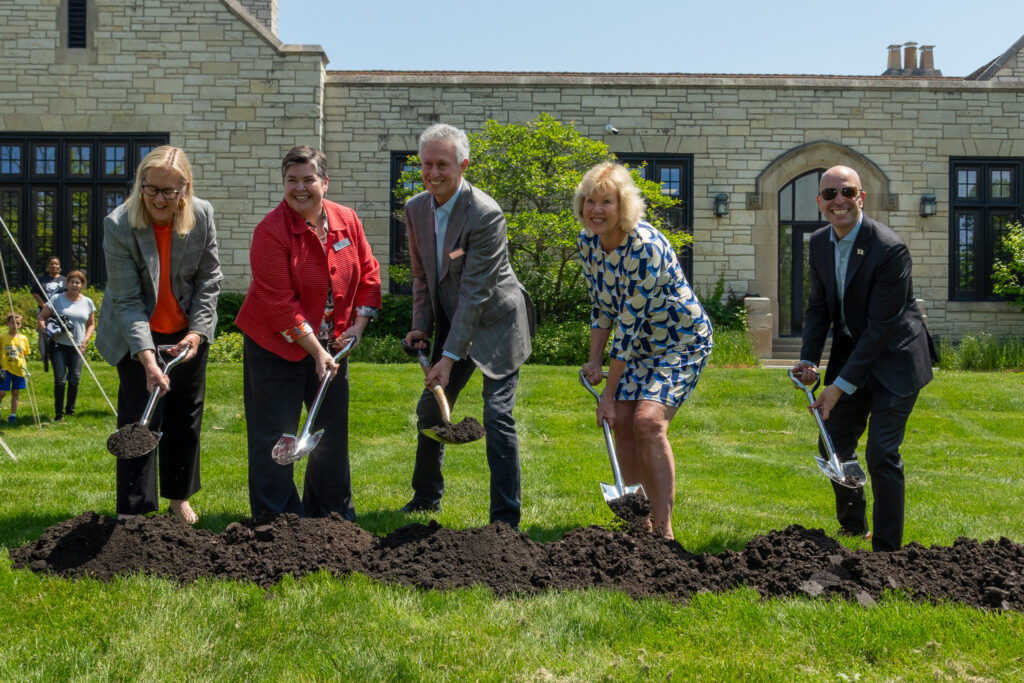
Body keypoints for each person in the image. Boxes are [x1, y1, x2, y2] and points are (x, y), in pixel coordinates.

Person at [792, 165, 935, 552]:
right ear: (819, 202)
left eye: (847, 192)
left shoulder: (889, 249)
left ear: (861, 197)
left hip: (896, 359)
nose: (839, 200)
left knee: (881, 453)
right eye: (830, 194)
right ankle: (854, 528)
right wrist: (809, 362)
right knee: (833, 442)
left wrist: (836, 388)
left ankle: (887, 551)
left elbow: (879, 331)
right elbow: (819, 309)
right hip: (853, 351)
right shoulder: (820, 242)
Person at [400, 123, 535, 529]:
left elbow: (476, 292)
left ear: (463, 165)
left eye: (442, 164)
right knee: (430, 410)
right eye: (427, 164)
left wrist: (449, 357)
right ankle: (426, 498)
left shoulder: (485, 213)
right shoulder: (416, 208)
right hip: (453, 319)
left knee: (497, 416)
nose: (433, 173)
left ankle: (504, 519)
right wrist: (422, 327)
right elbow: (422, 277)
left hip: (497, 322)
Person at [236, 145, 381, 520]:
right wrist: (316, 352)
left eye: (308, 179)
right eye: (291, 180)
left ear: (325, 182)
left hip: (333, 347)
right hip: (275, 349)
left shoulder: (347, 219)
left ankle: (331, 517)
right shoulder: (270, 232)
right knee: (275, 436)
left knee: (330, 436)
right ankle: (276, 518)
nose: (300, 188)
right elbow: (279, 304)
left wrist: (356, 328)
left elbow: (368, 274)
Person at [575, 162, 713, 540]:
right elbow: (602, 307)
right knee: (620, 420)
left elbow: (629, 324)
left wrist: (606, 390)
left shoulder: (645, 246)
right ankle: (638, 525)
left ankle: (663, 530)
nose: (596, 210)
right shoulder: (588, 243)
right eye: (590, 201)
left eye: (607, 202)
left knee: (648, 422)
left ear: (624, 207)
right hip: (638, 347)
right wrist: (593, 360)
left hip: (679, 342)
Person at [94, 145, 222, 525]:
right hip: (136, 331)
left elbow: (209, 280)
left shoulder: (202, 215)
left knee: (185, 415)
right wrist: (147, 357)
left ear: (185, 187)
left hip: (186, 332)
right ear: (140, 185)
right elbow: (128, 299)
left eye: (170, 191)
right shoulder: (119, 224)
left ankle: (179, 497)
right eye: (152, 189)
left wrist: (198, 333)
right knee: (139, 419)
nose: (160, 199)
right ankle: (134, 509)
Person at [37, 269, 95, 422]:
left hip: (78, 346)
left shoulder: (87, 302)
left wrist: (85, 340)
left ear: (82, 285)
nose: (74, 285)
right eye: (71, 282)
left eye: (78, 282)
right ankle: (58, 414)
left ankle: (70, 411)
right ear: (67, 283)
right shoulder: (57, 299)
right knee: (60, 380)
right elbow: (41, 317)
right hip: (59, 345)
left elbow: (91, 324)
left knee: (75, 379)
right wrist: (48, 332)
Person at [31, 255, 66, 371]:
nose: (54, 266)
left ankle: (57, 355)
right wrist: (44, 306)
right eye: (51, 264)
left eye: (56, 264)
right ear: (47, 266)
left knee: (58, 333)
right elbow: (35, 293)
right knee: (44, 334)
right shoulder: (41, 279)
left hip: (59, 312)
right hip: (44, 312)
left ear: (59, 266)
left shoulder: (64, 280)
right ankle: (44, 356)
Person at [0, 313, 31, 423]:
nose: (15, 325)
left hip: (18, 369)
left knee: (15, 392)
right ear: (8, 324)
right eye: (12, 323)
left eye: (17, 323)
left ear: (21, 325)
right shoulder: (3, 337)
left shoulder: (23, 338)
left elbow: (25, 353)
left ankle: (13, 414)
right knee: (2, 392)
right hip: (6, 368)